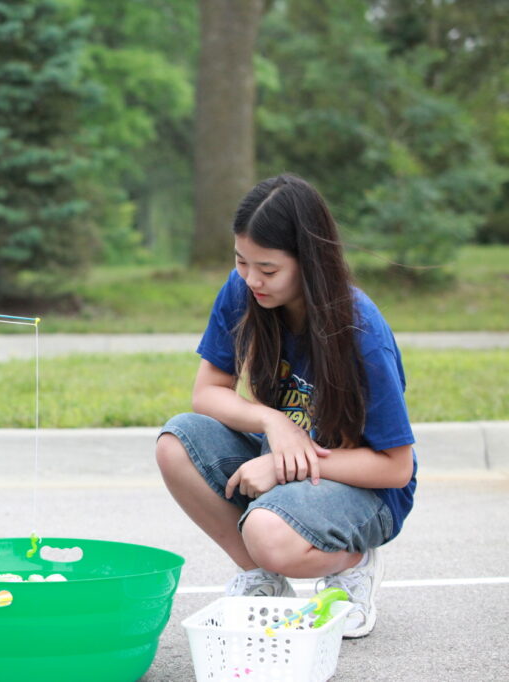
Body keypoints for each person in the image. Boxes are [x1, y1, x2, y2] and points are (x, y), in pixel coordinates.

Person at [155, 174, 416, 639]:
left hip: (365, 490)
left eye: (268, 269)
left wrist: (280, 465)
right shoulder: (243, 290)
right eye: (241, 261)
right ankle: (263, 578)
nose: (252, 279)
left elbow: (396, 468)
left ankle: (352, 563)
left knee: (267, 532)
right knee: (176, 442)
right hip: (287, 469)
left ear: (309, 262)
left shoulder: (360, 331)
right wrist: (272, 420)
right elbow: (207, 392)